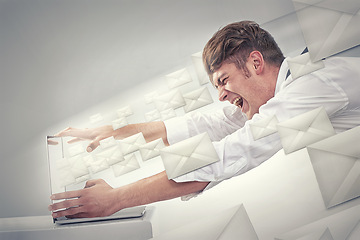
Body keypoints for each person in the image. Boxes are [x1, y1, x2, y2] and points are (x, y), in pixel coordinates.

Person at [48, 21, 360, 219]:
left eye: (224, 80)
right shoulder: (282, 90)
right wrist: (116, 132)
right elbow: (208, 124)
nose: (222, 95)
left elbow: (233, 153)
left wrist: (115, 199)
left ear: (255, 63)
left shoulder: (311, 87)